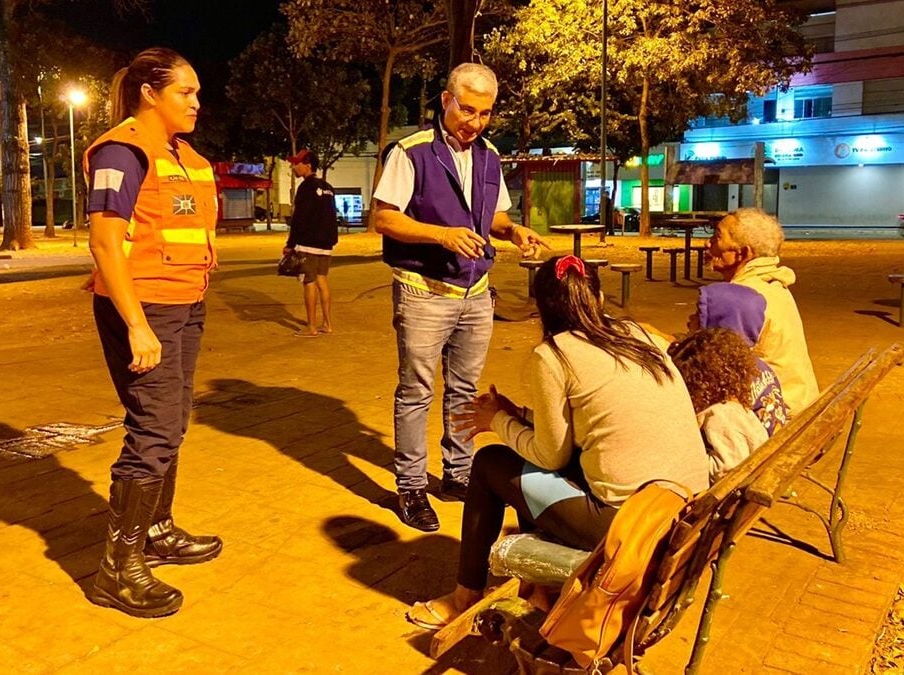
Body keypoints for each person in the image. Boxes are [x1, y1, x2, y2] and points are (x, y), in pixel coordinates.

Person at [404, 255, 709, 628]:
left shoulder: (554, 355)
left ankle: (465, 596)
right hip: (685, 510)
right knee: (527, 468)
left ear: (541, 309)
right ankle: (542, 587)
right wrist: (517, 414)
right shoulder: (637, 334)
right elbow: (592, 422)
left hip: (630, 525)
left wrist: (496, 421)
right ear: (598, 298)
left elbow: (550, 456)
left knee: (489, 464)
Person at [372, 62, 548, 532]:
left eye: (485, 114)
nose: (475, 122)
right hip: (423, 291)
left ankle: (458, 473)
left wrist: (514, 231)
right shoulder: (411, 152)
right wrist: (442, 235)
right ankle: (411, 486)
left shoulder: (489, 155)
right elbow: (385, 218)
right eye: (467, 110)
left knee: (465, 390)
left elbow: (494, 217)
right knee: (416, 391)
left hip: (476, 293)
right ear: (446, 100)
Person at [84, 47, 222, 619]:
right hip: (144, 309)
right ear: (149, 93)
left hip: (185, 303)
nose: (196, 102)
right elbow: (104, 243)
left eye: (196, 92)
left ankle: (156, 529)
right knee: (155, 427)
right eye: (184, 92)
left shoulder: (182, 155)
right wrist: (137, 326)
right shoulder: (123, 150)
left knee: (174, 419)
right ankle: (117, 569)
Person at [707, 208, 819, 415]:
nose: (708, 243)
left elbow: (714, 369)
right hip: (800, 402)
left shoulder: (742, 297)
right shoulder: (773, 284)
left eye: (717, 237)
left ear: (743, 253)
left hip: (779, 413)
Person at [669, 328, 770, 482]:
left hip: (730, 490)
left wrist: (690, 462)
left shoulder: (719, 415)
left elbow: (725, 469)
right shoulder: (740, 408)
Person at [689, 282, 789, 436]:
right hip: (772, 444)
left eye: (699, 313)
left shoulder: (716, 379)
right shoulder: (758, 366)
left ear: (719, 324)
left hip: (748, 450)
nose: (691, 318)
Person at [284, 148, 338, 337]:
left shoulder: (305, 187)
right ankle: (327, 324)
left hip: (308, 243)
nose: (293, 167)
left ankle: (311, 327)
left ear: (307, 165)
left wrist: (290, 244)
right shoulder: (328, 188)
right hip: (326, 244)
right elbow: (332, 216)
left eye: (296, 164)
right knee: (322, 280)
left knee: (309, 282)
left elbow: (299, 218)